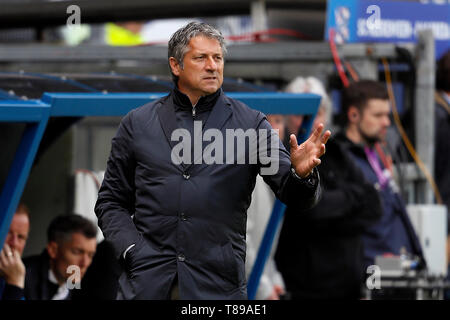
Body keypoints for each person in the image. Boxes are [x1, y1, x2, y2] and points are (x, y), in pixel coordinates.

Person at [95, 22, 330, 300]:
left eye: (217, 58)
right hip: (147, 286)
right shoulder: (137, 123)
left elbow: (295, 196)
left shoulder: (251, 125)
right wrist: (132, 250)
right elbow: (110, 202)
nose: (212, 66)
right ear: (175, 65)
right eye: (201, 58)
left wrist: (302, 176)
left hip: (218, 288)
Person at [275, 78, 383, 299]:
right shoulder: (280, 157)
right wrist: (351, 200)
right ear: (286, 119)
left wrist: (332, 205)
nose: (313, 120)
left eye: (320, 112)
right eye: (301, 113)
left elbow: (374, 205)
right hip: (302, 288)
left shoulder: (337, 152)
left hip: (349, 286)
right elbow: (311, 210)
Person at [245, 114, 286, 300]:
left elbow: (266, 246)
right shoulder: (244, 174)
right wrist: (263, 288)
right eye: (266, 123)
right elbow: (240, 241)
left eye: (278, 121)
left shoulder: (276, 169)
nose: (273, 130)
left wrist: (274, 280)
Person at [23, 214, 97, 300]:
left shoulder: (75, 284)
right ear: (53, 250)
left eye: (90, 255)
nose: (85, 263)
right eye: (77, 252)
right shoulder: (22, 279)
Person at [0, 203, 30, 300]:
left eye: (21, 237)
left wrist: (15, 283)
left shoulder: (18, 276)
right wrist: (14, 285)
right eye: (8, 233)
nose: (14, 243)